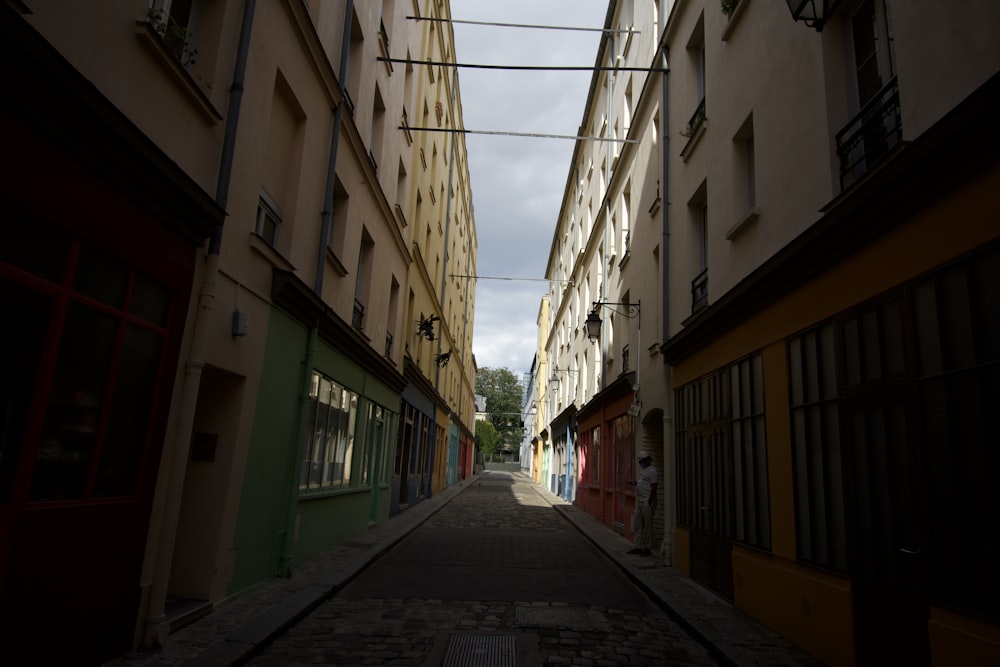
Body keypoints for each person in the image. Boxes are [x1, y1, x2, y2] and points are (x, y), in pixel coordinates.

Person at [626, 452, 658, 556]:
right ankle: (638, 546)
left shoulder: (652, 471)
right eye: (640, 461)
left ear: (647, 460)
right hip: (640, 501)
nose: (641, 463)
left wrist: (649, 502)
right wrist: (634, 483)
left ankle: (647, 548)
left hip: (646, 501)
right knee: (638, 524)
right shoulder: (644, 471)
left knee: (647, 525)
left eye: (642, 461)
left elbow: (654, 487)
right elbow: (643, 483)